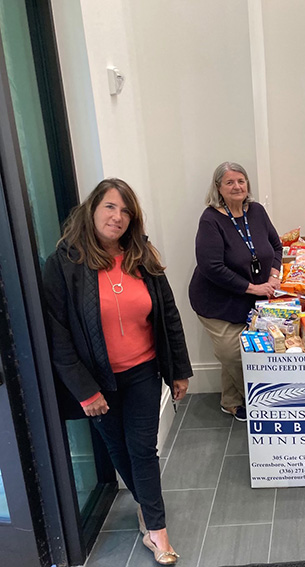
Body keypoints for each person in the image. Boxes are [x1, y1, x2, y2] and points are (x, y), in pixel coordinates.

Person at [44, 179, 191, 565]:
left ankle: (156, 529)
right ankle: (146, 504)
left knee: (142, 448)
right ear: (92, 209)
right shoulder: (64, 264)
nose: (118, 217)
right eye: (110, 207)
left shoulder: (142, 256)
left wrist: (178, 370)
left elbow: (168, 315)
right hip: (97, 380)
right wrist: (84, 390)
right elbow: (57, 335)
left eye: (126, 211)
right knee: (118, 447)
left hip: (143, 370)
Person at [189, 162, 283, 421]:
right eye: (229, 182)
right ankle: (261, 403)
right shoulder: (211, 219)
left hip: (253, 298)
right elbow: (212, 267)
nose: (237, 186)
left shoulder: (257, 211)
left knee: (245, 348)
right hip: (217, 300)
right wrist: (253, 287)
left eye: (241, 181)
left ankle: (230, 401)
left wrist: (274, 276)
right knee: (232, 353)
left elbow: (276, 246)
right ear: (218, 188)